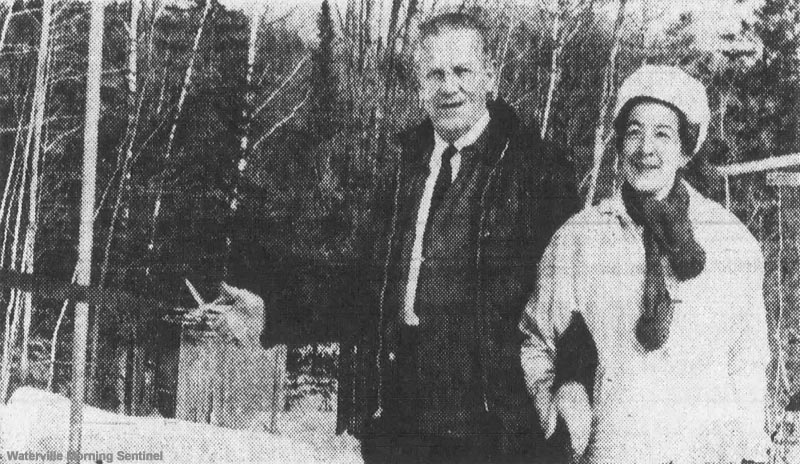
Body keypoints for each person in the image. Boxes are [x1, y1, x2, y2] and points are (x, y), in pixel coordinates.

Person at [204, 11, 580, 464]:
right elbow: (362, 285)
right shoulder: (404, 166)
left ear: (488, 76)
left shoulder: (536, 170)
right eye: (435, 74)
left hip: (493, 427)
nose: (449, 87)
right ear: (420, 84)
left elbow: (572, 296)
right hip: (402, 421)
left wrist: (568, 398)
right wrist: (272, 313)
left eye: (461, 72)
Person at [519, 65, 771, 464]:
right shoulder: (578, 239)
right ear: (619, 144)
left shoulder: (730, 242)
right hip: (614, 449)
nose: (645, 149)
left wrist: (749, 446)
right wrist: (557, 404)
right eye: (634, 132)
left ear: (686, 150)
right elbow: (536, 341)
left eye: (663, 134)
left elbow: (749, 360)